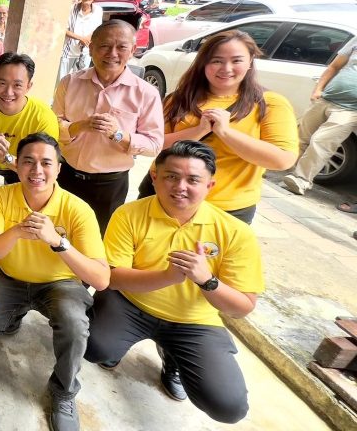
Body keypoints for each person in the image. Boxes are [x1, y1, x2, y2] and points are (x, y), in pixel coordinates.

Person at [85, 141, 263, 425]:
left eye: (193, 179)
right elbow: (112, 278)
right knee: (94, 347)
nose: (180, 186)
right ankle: (118, 344)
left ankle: (173, 356)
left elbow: (242, 307)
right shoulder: (129, 214)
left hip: (194, 322)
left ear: (210, 186)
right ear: (154, 177)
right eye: (171, 176)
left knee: (228, 406)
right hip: (131, 304)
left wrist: (207, 281)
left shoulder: (235, 232)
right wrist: (168, 276)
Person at [0, 133, 109, 431]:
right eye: (28, 162)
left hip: (60, 284)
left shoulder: (78, 209)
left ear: (59, 168)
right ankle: (14, 317)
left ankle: (64, 391)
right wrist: (18, 231)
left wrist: (59, 242)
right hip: (10, 277)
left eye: (46, 162)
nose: (37, 171)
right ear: (16, 166)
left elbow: (100, 277)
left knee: (74, 325)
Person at [159, 30, 298, 223]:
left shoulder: (270, 103)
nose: (226, 68)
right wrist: (199, 131)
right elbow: (155, 146)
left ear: (250, 62)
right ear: (203, 63)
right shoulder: (179, 99)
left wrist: (226, 133)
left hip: (227, 209)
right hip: (167, 200)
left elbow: (282, 160)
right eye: (216, 60)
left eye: (236, 60)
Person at [52, 20, 164, 233]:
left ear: (132, 50)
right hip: (66, 175)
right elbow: (53, 125)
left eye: (121, 47)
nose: (112, 53)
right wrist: (79, 126)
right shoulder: (70, 82)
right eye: (104, 46)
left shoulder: (146, 93)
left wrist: (119, 134)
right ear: (91, 47)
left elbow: (154, 144)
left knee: (98, 241)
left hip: (109, 186)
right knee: (57, 234)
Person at [0, 52, 60, 216]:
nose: (8, 92)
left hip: (23, 165)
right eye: (1, 83)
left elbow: (42, 168)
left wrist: (7, 158)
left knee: (20, 209)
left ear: (29, 86)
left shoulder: (43, 117)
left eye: (17, 85)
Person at [282, 38, 357, 196]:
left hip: (350, 110)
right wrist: (318, 89)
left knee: (321, 141)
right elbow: (334, 66)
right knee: (301, 137)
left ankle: (302, 180)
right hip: (325, 98)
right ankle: (286, 171)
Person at [59, 0, 102, 80]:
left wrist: (87, 38)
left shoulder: (98, 11)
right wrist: (80, 38)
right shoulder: (71, 9)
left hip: (85, 53)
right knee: (62, 80)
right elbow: (63, 30)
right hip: (68, 52)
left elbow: (97, 29)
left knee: (80, 82)